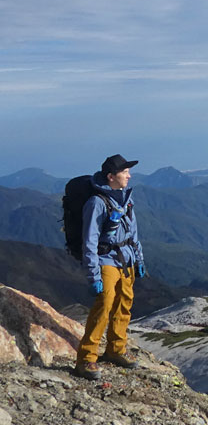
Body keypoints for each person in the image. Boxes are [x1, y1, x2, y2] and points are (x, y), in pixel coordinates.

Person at [74, 154, 147, 380]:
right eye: (125, 172)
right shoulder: (96, 203)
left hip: (126, 260)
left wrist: (139, 259)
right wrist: (94, 274)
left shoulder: (125, 199)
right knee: (104, 306)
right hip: (106, 260)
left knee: (124, 303)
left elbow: (133, 233)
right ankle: (86, 359)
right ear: (111, 177)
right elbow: (90, 241)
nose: (129, 175)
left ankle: (116, 350)